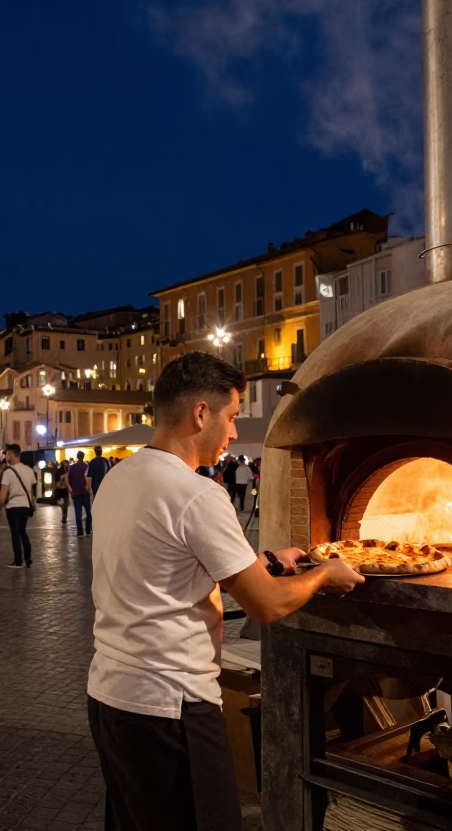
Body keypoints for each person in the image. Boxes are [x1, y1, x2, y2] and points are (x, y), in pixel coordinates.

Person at [86, 352, 363, 830]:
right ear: (200, 413)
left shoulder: (120, 477)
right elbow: (267, 604)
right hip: (172, 705)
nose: (234, 432)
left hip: (111, 698)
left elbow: (171, 570)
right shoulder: (197, 493)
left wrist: (273, 561)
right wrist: (324, 574)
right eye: (231, 417)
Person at [0, 444, 37, 568]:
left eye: (7, 454)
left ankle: (18, 560)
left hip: (12, 506)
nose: (6, 456)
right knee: (23, 531)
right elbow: (32, 491)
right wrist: (32, 505)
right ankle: (28, 557)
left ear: (12, 455)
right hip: (25, 505)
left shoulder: (8, 473)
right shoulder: (29, 470)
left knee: (15, 533)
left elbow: (3, 495)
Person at [68, 451, 93, 537]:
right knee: (88, 512)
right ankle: (88, 529)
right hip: (85, 492)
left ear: (77, 457)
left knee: (78, 513)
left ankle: (80, 531)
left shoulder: (72, 467)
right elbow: (90, 478)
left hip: (76, 493)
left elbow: (69, 480)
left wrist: (71, 491)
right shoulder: (87, 466)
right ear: (83, 456)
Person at [52, 459, 69, 525]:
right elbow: (57, 481)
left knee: (65, 505)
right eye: (66, 463)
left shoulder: (66, 470)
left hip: (64, 490)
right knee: (63, 504)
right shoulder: (59, 471)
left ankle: (64, 517)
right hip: (60, 490)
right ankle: (64, 516)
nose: (67, 464)